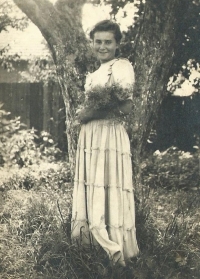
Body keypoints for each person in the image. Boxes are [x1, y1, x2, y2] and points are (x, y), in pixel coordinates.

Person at [71, 20, 139, 266]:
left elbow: (126, 106)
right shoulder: (93, 75)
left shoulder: (121, 67)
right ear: (92, 43)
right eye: (98, 41)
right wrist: (83, 117)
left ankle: (115, 249)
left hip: (109, 136)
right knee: (94, 187)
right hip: (90, 137)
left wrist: (90, 113)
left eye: (107, 42)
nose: (102, 46)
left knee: (108, 186)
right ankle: (92, 250)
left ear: (117, 44)